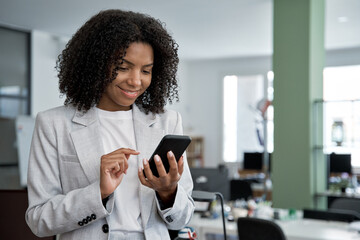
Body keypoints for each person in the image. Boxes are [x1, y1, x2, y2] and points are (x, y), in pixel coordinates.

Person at [25, 9, 195, 240]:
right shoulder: (53, 124)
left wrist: (168, 192)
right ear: (96, 64)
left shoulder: (168, 121)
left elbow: (184, 218)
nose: (136, 80)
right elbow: (39, 220)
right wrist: (98, 192)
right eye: (123, 67)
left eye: (146, 71)